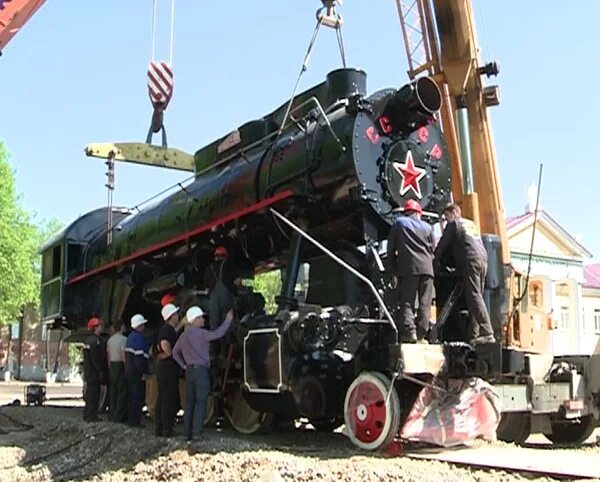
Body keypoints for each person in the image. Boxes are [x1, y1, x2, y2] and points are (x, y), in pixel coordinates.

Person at [434, 203, 495, 345]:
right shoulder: (470, 224)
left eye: (446, 216)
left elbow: (442, 246)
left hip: (470, 260)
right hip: (483, 259)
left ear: (454, 213)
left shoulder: (454, 224)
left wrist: (434, 261)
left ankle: (487, 332)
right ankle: (474, 335)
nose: (446, 219)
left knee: (473, 295)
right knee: (476, 297)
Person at [173, 306, 234, 442]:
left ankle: (186, 434)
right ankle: (197, 434)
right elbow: (218, 333)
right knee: (201, 403)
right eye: (201, 317)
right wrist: (228, 320)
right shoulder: (201, 334)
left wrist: (183, 365)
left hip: (189, 371)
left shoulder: (183, 336)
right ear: (194, 320)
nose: (203, 320)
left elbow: (174, 352)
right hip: (201, 371)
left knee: (189, 403)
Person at [387, 199, 435, 343]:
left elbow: (391, 248)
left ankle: (410, 332)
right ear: (418, 213)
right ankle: (422, 332)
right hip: (427, 270)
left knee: (407, 302)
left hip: (409, 268)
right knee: (425, 302)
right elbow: (432, 248)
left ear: (406, 212)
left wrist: (394, 267)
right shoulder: (428, 227)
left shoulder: (399, 223)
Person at [154, 303, 181, 437]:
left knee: (162, 397)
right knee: (168, 397)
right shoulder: (167, 330)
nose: (177, 316)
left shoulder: (166, 329)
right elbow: (164, 343)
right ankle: (167, 429)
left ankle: (159, 427)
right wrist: (170, 353)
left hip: (164, 367)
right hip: (168, 367)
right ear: (171, 316)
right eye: (176, 314)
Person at [203, 246, 240, 330]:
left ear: (215, 256)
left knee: (215, 324)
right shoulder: (229, 264)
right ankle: (230, 342)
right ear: (225, 256)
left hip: (214, 303)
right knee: (229, 323)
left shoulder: (208, 269)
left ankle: (216, 343)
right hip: (227, 300)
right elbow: (238, 281)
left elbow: (207, 289)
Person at [125, 313, 150, 427]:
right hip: (136, 373)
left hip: (129, 371)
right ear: (140, 325)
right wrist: (143, 372)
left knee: (131, 396)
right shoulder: (140, 339)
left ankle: (131, 420)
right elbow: (139, 359)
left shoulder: (130, 337)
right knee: (138, 396)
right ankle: (135, 421)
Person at [82, 317, 104, 422]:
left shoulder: (88, 340)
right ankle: (92, 416)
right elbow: (95, 358)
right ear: (95, 327)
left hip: (88, 372)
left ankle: (87, 414)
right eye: (100, 325)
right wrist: (99, 370)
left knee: (90, 394)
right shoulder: (96, 341)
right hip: (94, 373)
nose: (102, 327)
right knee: (94, 395)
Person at [106, 320, 127, 423]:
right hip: (120, 365)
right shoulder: (123, 339)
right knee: (122, 392)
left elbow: (108, 356)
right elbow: (124, 355)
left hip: (112, 366)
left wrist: (110, 367)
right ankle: (118, 416)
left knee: (113, 392)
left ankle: (111, 414)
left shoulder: (110, 340)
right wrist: (126, 366)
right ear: (121, 327)